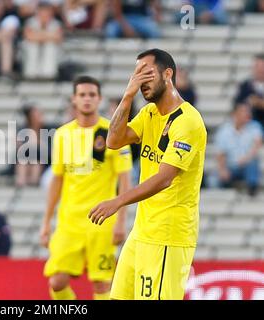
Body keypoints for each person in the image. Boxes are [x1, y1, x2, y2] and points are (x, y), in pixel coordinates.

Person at [89, 49, 207, 300]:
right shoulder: (149, 114)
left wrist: (118, 200)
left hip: (169, 235)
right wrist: (128, 94)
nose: (141, 81)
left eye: (147, 74)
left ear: (168, 74)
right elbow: (113, 140)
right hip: (142, 231)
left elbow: (165, 178)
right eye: (137, 75)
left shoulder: (188, 122)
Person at [40, 75, 133, 300]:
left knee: (102, 283)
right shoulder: (62, 134)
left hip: (101, 222)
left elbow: (125, 180)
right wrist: (46, 222)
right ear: (74, 99)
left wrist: (120, 222)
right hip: (69, 222)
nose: (87, 99)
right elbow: (57, 180)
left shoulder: (112, 132)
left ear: (99, 99)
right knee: (57, 281)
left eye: (92, 95)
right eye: (82, 95)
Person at [214, 103, 262, 196]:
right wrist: (223, 169)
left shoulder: (254, 127)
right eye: (243, 112)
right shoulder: (225, 131)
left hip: (247, 164)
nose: (247, 114)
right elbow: (221, 153)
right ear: (234, 114)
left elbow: (257, 146)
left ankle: (252, 190)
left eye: (247, 112)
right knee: (214, 178)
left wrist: (245, 159)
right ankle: (225, 192)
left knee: (252, 164)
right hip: (231, 166)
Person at [22, 0, 63, 80]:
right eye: (42, 10)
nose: (45, 13)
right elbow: (29, 36)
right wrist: (48, 35)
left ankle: (48, 74)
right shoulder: (30, 21)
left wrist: (39, 35)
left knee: (50, 45)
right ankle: (31, 73)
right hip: (32, 48)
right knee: (33, 45)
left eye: (47, 10)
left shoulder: (56, 23)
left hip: (53, 50)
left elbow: (58, 37)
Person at [235, 54, 264, 132]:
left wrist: (259, 103)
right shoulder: (245, 85)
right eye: (258, 66)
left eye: (262, 66)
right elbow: (238, 104)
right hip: (249, 125)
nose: (260, 70)